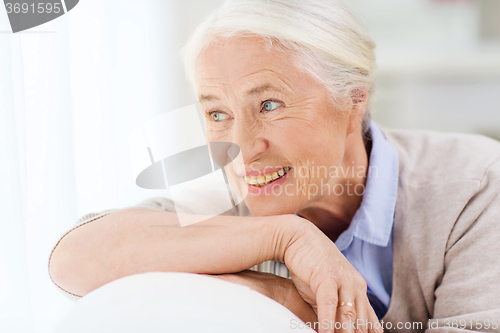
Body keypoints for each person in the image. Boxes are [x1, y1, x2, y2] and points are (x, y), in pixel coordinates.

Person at [48, 0, 500, 332]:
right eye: (217, 113)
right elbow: (72, 260)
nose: (241, 148)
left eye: (269, 104)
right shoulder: (223, 196)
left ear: (353, 101)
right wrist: (283, 237)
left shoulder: (474, 182)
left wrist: (297, 310)